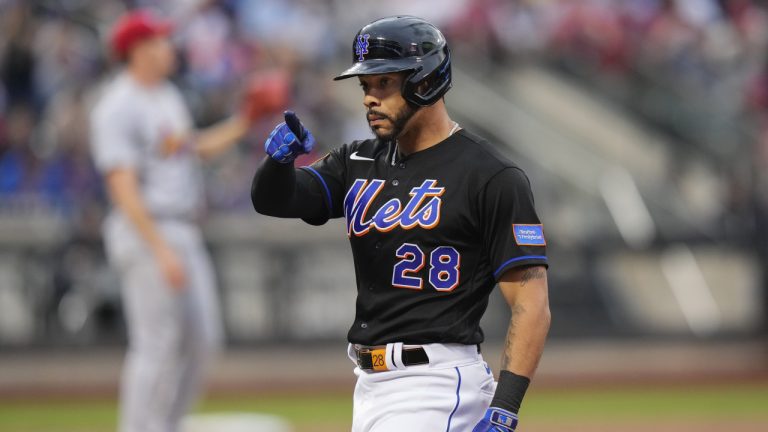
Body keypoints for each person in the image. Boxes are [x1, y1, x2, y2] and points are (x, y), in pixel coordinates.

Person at [251, 15, 551, 432]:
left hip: (439, 383)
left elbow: (530, 302)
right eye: (365, 86)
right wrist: (277, 165)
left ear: (425, 81)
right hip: (371, 384)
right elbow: (275, 200)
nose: (369, 98)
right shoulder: (356, 160)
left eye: (384, 83)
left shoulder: (490, 175)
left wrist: (504, 410)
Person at [89, 10, 279, 432]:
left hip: (182, 228)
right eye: (157, 41)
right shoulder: (117, 105)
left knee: (203, 342)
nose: (166, 46)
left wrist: (244, 122)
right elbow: (122, 187)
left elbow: (192, 148)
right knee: (155, 346)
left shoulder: (165, 95)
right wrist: (159, 249)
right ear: (136, 51)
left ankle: (167, 425)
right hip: (147, 228)